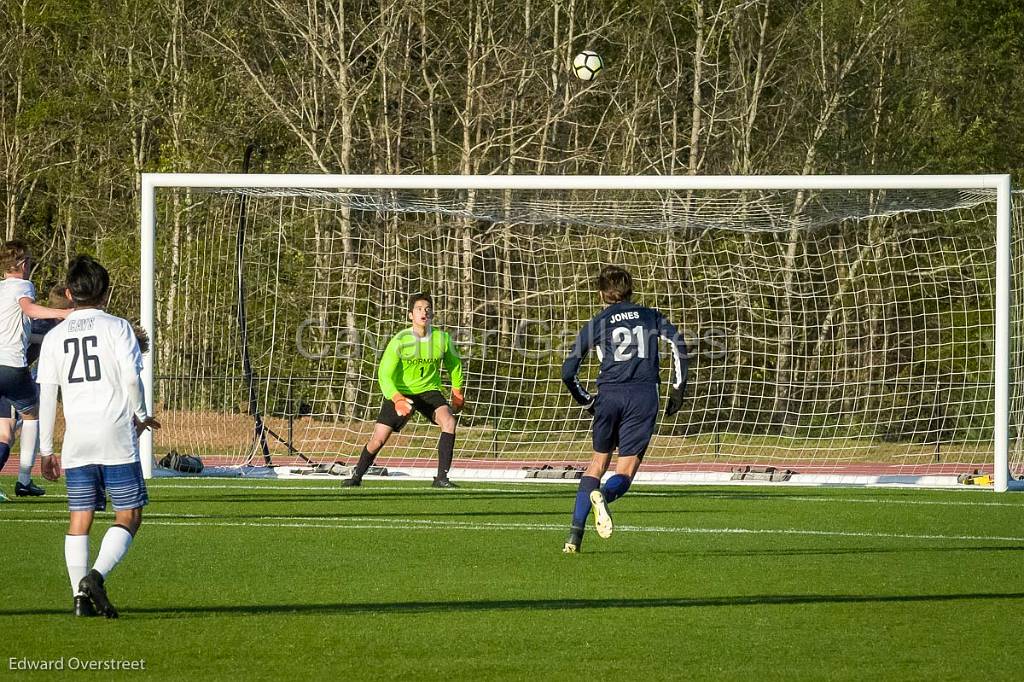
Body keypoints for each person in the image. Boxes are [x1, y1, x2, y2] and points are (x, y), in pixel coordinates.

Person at [37, 256, 160, 617]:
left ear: (68, 292)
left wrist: (46, 449)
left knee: (80, 516)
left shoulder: (55, 336)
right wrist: (141, 414)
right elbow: (130, 378)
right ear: (105, 291)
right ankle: (95, 576)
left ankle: (78, 599)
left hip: (77, 439)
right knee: (129, 514)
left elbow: (47, 396)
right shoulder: (118, 327)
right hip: (115, 434)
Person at [560, 265, 688, 553]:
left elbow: (568, 371)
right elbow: (679, 346)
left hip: (609, 395)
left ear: (601, 293)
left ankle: (574, 537)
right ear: (631, 289)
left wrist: (586, 400)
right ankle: (603, 496)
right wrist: (678, 390)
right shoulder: (651, 315)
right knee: (625, 470)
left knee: (596, 464)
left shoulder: (598, 322)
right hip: (643, 397)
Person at [344, 292, 465, 488]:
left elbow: (455, 365)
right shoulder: (400, 340)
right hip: (401, 392)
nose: (423, 312)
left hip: (429, 391)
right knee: (379, 439)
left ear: (432, 313)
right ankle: (356, 475)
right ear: (410, 315)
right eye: (418, 309)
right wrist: (397, 398)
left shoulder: (442, 339)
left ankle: (442, 478)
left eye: (427, 309)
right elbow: (384, 374)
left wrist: (457, 391)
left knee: (449, 421)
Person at [0, 243, 69, 500]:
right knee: (32, 415)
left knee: (5, 432)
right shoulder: (23, 286)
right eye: (28, 261)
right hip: (11, 365)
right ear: (22, 264)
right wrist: (65, 313)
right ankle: (24, 479)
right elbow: (29, 309)